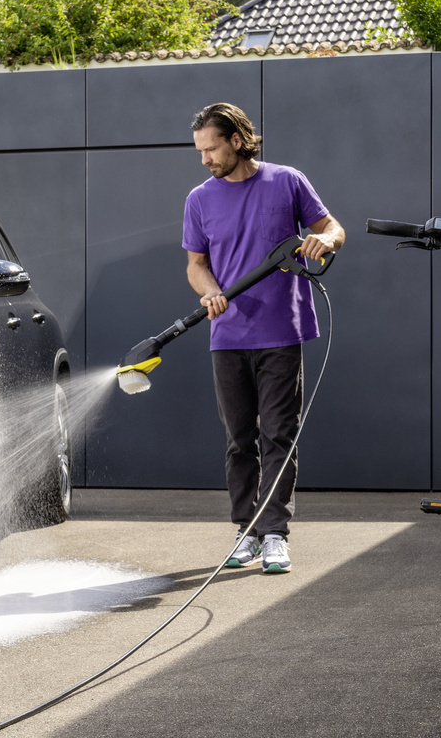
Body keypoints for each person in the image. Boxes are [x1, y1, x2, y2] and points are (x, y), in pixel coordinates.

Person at [182, 103, 345, 574]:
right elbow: (196, 265)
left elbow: (333, 228)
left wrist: (325, 242)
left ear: (236, 140)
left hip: (281, 330)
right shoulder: (199, 199)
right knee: (239, 440)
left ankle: (274, 533)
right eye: (200, 151)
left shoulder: (287, 181)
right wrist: (210, 291)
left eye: (211, 148)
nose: (205, 158)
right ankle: (246, 530)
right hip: (227, 334)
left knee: (278, 434)